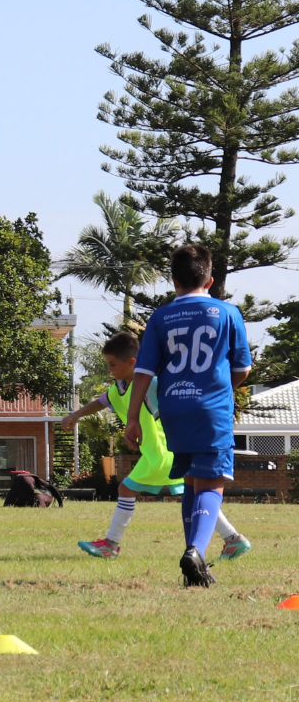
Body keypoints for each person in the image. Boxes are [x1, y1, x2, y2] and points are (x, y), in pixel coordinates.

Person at [60, 330, 250, 562]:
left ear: (132, 363)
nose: (109, 370)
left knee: (127, 490)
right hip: (158, 453)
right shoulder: (120, 385)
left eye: (112, 365)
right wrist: (77, 415)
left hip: (164, 452)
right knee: (197, 495)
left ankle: (111, 544)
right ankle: (233, 539)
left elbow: (174, 411)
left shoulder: (151, 386)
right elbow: (102, 402)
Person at [124, 244, 252, 588]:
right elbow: (242, 369)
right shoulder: (228, 313)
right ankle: (195, 550)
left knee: (193, 483)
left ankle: (196, 567)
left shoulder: (161, 317)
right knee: (212, 483)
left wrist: (133, 417)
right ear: (209, 280)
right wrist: (218, 385)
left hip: (174, 409)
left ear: (173, 280)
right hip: (211, 409)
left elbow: (144, 372)